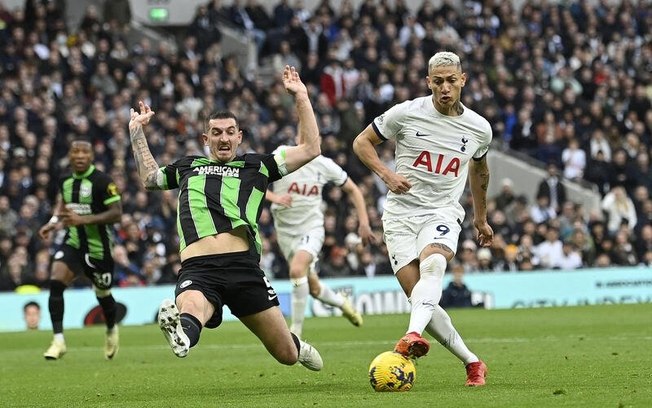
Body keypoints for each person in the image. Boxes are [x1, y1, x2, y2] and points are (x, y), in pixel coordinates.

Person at [128, 66, 323, 371]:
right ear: (206, 138)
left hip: (243, 268)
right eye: (216, 133)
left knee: (286, 355)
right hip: (200, 267)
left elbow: (311, 149)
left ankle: (296, 344)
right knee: (191, 307)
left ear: (239, 136)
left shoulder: (258, 166)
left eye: (230, 132)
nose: (223, 138)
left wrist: (301, 96)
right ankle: (181, 334)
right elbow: (151, 178)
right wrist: (136, 131)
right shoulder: (188, 166)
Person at [353, 51, 492, 386]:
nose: (445, 88)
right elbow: (361, 143)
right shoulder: (406, 113)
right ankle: (473, 362)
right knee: (420, 297)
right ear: (429, 82)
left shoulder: (479, 129)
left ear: (463, 80)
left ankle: (411, 334)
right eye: (438, 81)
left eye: (451, 80)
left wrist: (481, 218)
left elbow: (480, 171)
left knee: (434, 265)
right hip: (400, 215)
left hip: (443, 210)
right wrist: (386, 175)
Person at [265, 142, 376, 337]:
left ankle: (295, 333)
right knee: (313, 288)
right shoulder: (283, 154)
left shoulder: (325, 164)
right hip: (284, 231)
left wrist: (364, 222)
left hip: (312, 227)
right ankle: (343, 303)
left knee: (297, 270)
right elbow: (253, 181)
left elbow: (354, 190)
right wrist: (275, 197)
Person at [38, 136, 122, 360]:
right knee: (56, 282)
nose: (80, 156)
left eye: (84, 152)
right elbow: (62, 207)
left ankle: (111, 328)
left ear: (91, 156)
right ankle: (58, 341)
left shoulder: (103, 181)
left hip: (99, 248)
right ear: (70, 156)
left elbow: (116, 213)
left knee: (102, 293)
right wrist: (53, 224)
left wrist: (84, 220)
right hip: (73, 242)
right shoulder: (65, 180)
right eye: (75, 152)